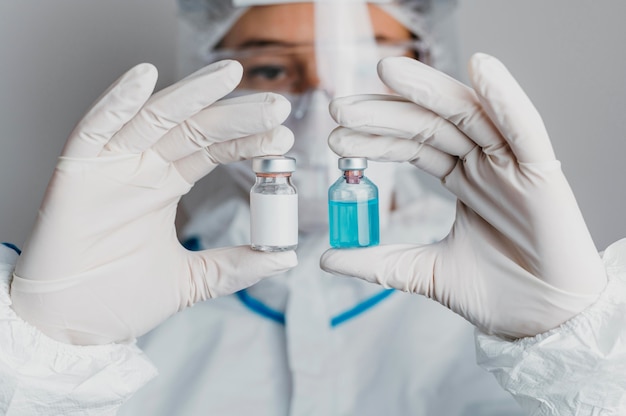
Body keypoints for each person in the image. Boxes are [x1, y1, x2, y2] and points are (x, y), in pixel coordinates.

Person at [0, 2, 624, 416]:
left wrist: (572, 352)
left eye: (365, 66)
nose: (324, 103)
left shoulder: (526, 296)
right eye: (272, 68)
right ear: (208, 71)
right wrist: (46, 359)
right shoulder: (127, 300)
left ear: (429, 66)